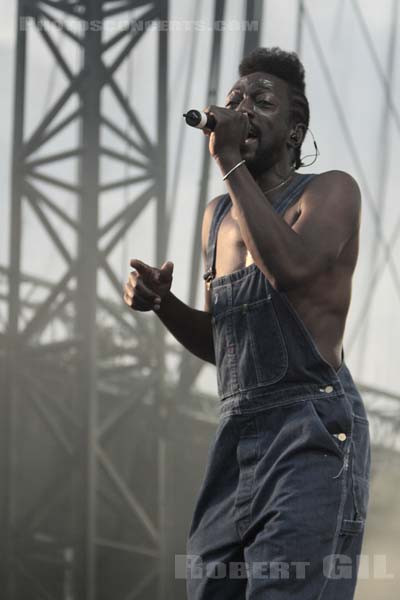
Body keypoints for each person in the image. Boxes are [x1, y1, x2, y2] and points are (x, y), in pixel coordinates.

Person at [123, 47, 371, 600]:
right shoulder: (218, 216)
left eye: (262, 102)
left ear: (294, 127)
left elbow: (292, 270)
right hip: (236, 433)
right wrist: (163, 303)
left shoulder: (331, 191)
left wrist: (230, 160)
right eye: (235, 100)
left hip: (311, 427)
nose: (241, 109)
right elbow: (226, 342)